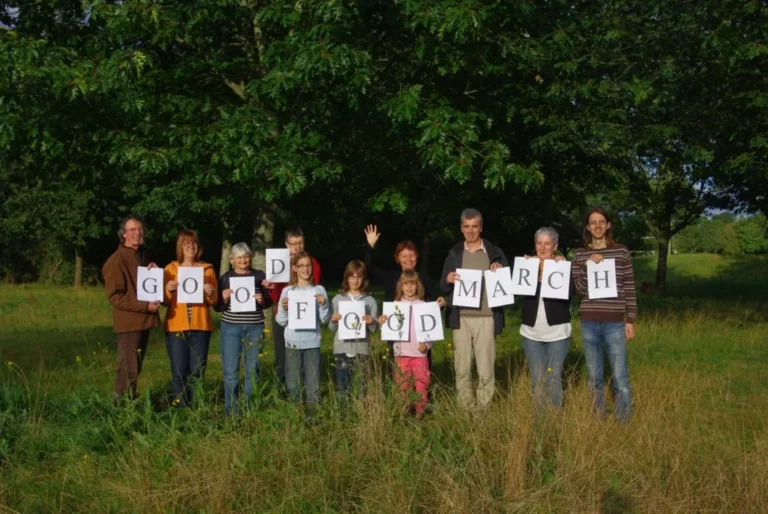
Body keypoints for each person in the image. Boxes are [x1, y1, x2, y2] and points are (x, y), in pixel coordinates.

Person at [572, 208, 637, 423]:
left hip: (615, 322)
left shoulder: (621, 252)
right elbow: (580, 290)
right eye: (593, 222)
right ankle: (597, 419)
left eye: (602, 221)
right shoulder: (580, 254)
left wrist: (631, 319)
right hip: (589, 320)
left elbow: (628, 286)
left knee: (620, 377)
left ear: (608, 225)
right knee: (594, 377)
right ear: (588, 227)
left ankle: (624, 420)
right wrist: (586, 265)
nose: (597, 226)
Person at [440, 208, 509, 410]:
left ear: (481, 228)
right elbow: (442, 286)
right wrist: (448, 280)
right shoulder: (454, 253)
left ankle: (483, 409)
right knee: (462, 367)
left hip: (487, 317)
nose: (470, 231)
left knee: (486, 367)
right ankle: (466, 408)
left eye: (474, 227)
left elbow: (507, 283)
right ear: (461, 228)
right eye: (466, 227)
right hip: (460, 317)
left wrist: (500, 269)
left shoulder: (494, 252)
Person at [363, 225, 444, 374]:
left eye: (411, 255)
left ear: (417, 257)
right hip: (396, 336)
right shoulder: (390, 278)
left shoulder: (424, 279)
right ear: (397, 259)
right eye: (404, 256)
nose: (408, 259)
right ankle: (400, 397)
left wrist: (442, 303)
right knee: (399, 374)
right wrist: (371, 246)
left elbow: (436, 303)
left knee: (423, 374)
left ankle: (424, 396)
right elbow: (368, 267)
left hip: (420, 339)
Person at [102, 216, 161, 401]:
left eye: (140, 229)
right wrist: (144, 306)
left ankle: (130, 405)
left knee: (135, 368)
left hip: (142, 321)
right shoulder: (117, 260)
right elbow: (115, 297)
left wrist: (153, 271)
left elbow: (142, 285)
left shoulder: (142, 256)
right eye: (133, 229)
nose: (138, 233)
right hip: (129, 324)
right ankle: (121, 411)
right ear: (124, 234)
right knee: (128, 370)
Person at [215, 242, 273, 414]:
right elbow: (217, 307)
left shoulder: (259, 276)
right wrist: (223, 298)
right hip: (230, 328)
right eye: (239, 257)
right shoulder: (226, 278)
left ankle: (250, 408)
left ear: (251, 257)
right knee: (231, 371)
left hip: (254, 328)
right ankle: (231, 410)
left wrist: (263, 299)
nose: (243, 260)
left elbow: (269, 302)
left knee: (252, 369)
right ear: (232, 260)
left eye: (246, 256)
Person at [163, 230, 218, 408]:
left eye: (194, 243)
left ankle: (197, 407)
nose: (191, 247)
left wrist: (210, 293)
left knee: (197, 371)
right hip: (176, 327)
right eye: (186, 243)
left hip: (200, 327)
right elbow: (163, 301)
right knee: (179, 372)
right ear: (180, 246)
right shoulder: (170, 270)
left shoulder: (207, 269)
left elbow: (213, 301)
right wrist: (168, 290)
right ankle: (181, 411)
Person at [519, 227, 572, 411]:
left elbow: (570, 294)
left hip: (557, 334)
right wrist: (529, 268)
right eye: (539, 243)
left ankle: (555, 419)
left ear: (555, 246)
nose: (542, 247)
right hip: (531, 333)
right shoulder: (527, 267)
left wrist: (557, 268)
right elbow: (515, 290)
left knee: (553, 378)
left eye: (547, 243)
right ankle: (540, 422)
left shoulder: (562, 267)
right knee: (537, 379)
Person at [266, 228, 322, 394]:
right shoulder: (279, 263)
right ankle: (283, 394)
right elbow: (276, 296)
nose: (297, 247)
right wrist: (271, 286)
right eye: (294, 244)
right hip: (285, 316)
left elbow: (315, 283)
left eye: (300, 243)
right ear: (286, 245)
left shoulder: (311, 263)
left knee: (305, 358)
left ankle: (306, 392)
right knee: (282, 359)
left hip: (306, 316)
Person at [275, 252, 330, 408]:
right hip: (292, 343)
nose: (306, 269)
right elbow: (280, 321)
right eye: (301, 266)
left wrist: (323, 304)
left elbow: (325, 320)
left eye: (308, 265)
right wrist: (284, 309)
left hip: (312, 343)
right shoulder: (287, 291)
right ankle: (295, 417)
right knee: (293, 384)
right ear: (294, 268)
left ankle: (313, 418)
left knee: (313, 385)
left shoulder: (319, 290)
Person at [379, 270, 432, 417]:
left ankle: (420, 415)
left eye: (412, 284)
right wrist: (382, 321)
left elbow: (430, 330)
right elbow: (387, 329)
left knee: (421, 385)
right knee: (403, 386)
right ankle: (403, 414)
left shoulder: (423, 305)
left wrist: (426, 345)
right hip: (401, 354)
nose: (409, 287)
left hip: (419, 353)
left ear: (417, 286)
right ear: (400, 286)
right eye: (406, 284)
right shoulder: (395, 305)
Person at [329, 260, 378, 405]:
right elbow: (331, 329)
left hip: (361, 348)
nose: (355, 280)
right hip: (341, 348)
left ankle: (360, 415)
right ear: (346, 278)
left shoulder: (370, 301)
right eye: (352, 277)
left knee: (361, 386)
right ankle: (343, 417)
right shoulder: (337, 299)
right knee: (342, 386)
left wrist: (371, 321)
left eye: (359, 277)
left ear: (364, 279)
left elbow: (374, 330)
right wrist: (334, 320)